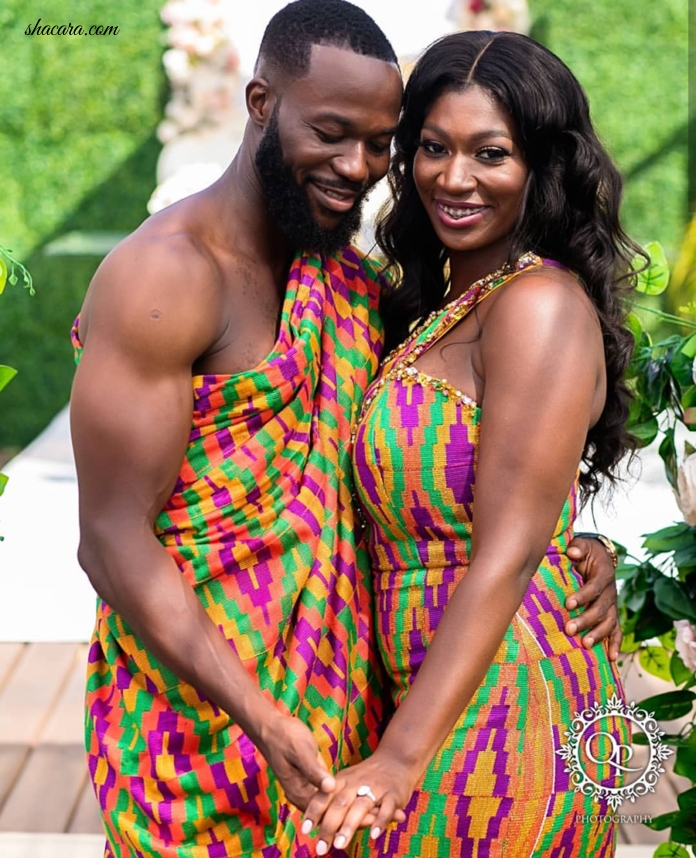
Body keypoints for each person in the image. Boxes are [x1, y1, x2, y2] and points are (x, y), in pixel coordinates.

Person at [70, 3, 621, 855]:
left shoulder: (354, 285)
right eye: (333, 133)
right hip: (205, 718)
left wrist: (561, 546)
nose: (358, 166)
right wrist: (258, 716)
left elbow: (489, 491)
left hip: (377, 714)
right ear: (260, 102)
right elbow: (109, 538)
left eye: (380, 143)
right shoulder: (167, 276)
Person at [302, 30, 639, 857]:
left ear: (543, 166)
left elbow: (508, 553)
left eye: (491, 154)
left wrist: (397, 757)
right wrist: (583, 540)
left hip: (509, 701)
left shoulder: (538, 304)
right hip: (433, 683)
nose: (454, 179)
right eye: (433, 149)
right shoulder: (437, 305)